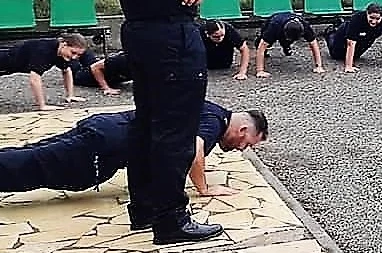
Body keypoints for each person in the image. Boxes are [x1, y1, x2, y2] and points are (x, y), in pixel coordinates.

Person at [105, 0, 222, 244]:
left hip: (138, 32)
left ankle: (144, 208)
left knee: (147, 122)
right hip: (171, 38)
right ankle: (172, 219)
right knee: (176, 126)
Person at [0, 101, 267, 199]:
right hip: (105, 144)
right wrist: (204, 189)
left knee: (33, 154)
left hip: (105, 131)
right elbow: (195, 147)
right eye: (248, 143)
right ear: (243, 130)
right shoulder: (215, 122)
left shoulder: (210, 109)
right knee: (32, 166)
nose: (242, 149)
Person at [0, 34, 90, 110]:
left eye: (78, 55)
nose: (74, 57)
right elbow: (34, 79)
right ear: (64, 45)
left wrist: (70, 95)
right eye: (73, 52)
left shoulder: (61, 53)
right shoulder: (44, 51)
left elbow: (67, 70)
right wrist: (42, 105)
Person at [324, 3, 382, 72]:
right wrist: (349, 66)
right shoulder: (357, 18)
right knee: (336, 55)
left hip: (365, 35)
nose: (374, 21)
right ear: (367, 13)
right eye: (371, 17)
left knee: (356, 56)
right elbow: (351, 43)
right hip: (344, 34)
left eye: (377, 18)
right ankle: (331, 31)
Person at [254, 12, 324, 77]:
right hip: (274, 20)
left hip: (286, 22)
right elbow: (261, 47)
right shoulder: (274, 26)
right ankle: (263, 42)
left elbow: (314, 44)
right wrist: (260, 71)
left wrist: (319, 66)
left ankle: (286, 46)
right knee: (262, 44)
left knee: (287, 42)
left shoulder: (305, 26)